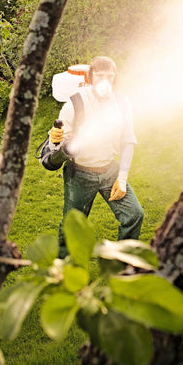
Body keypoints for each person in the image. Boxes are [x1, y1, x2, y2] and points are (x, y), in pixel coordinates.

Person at [49, 56, 144, 258]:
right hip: (80, 174)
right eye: (100, 77)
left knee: (134, 214)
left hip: (110, 171)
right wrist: (55, 140)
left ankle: (122, 260)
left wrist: (123, 178)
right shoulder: (74, 103)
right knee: (72, 225)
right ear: (89, 77)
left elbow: (128, 141)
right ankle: (63, 270)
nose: (105, 82)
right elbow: (57, 146)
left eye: (110, 77)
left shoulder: (122, 103)